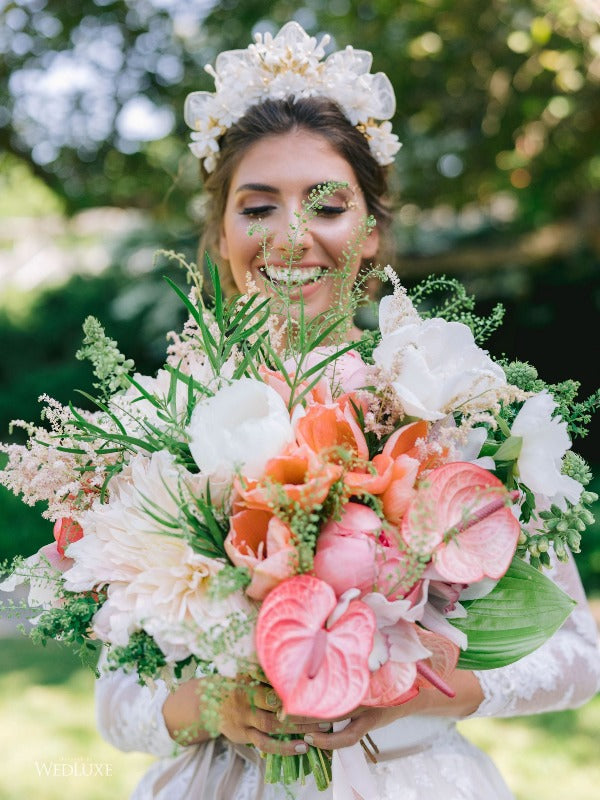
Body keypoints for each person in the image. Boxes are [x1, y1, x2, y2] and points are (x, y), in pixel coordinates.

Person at [96, 22, 600, 799]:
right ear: (222, 231)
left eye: (326, 206)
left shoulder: (449, 403)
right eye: (258, 209)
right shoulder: (161, 423)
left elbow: (577, 658)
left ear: (369, 232)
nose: (292, 238)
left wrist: (429, 683)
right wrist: (215, 708)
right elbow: (117, 703)